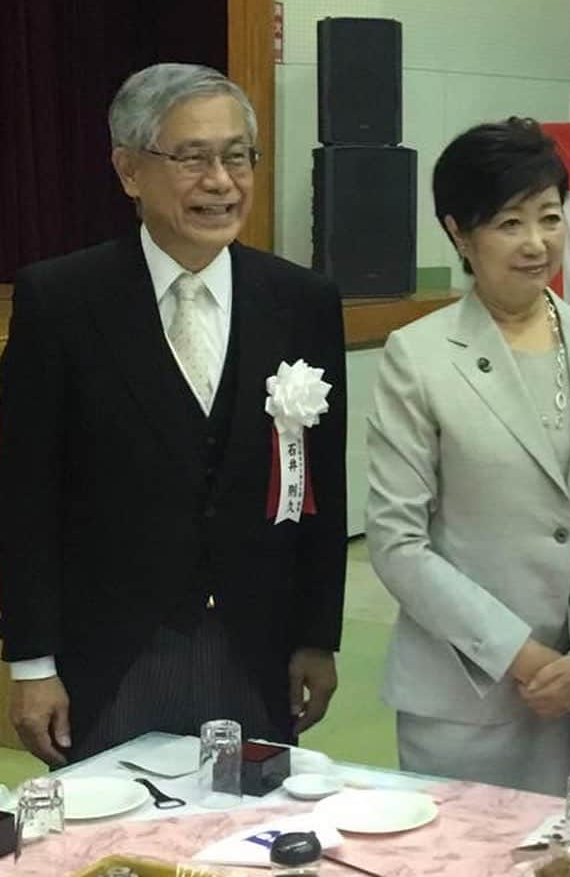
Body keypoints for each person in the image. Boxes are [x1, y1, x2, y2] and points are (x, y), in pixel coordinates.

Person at [0, 63, 347, 765]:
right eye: (191, 158)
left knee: (254, 850)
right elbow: (22, 494)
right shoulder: (61, 300)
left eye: (237, 155)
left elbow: (321, 486)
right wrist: (31, 664)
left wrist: (317, 635)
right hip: (113, 652)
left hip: (258, 648)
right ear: (130, 171)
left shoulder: (300, 301)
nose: (221, 181)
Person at [365, 117, 570, 796]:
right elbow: (397, 541)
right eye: (508, 223)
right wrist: (521, 656)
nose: (536, 244)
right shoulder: (417, 357)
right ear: (458, 233)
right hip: (470, 700)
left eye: (550, 218)